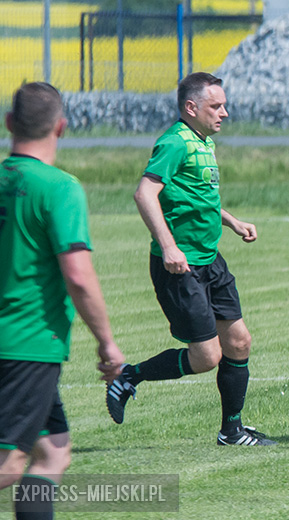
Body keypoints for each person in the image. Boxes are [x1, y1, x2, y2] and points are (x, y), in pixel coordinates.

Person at [104, 72, 276, 446]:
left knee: (240, 343)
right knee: (206, 357)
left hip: (210, 260)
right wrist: (168, 246)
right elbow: (144, 194)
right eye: (216, 106)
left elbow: (197, 197)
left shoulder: (203, 142)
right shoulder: (175, 143)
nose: (225, 113)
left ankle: (232, 432)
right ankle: (129, 376)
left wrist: (231, 221)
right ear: (191, 108)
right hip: (179, 268)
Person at [0, 82, 125, 518]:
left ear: (9, 123)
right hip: (27, 344)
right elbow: (78, 276)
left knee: (53, 452)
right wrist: (107, 342)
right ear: (62, 127)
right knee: (10, 462)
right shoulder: (59, 188)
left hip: (26, 347)